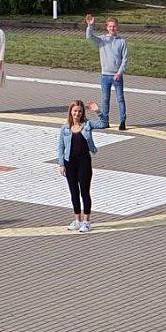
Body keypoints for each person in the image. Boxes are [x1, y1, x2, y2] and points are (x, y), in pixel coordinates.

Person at [56, 100, 108, 233]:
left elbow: (104, 123)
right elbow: (61, 147)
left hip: (84, 162)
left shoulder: (87, 125)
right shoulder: (65, 128)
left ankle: (87, 221)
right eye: (75, 111)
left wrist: (97, 111)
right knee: (74, 193)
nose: (77, 113)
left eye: (79, 111)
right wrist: (61, 164)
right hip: (69, 162)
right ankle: (77, 220)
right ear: (71, 112)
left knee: (84, 191)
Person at [84, 14, 130, 129]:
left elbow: (125, 59)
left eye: (114, 26)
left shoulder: (122, 42)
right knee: (105, 99)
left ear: (117, 27)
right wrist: (90, 26)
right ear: (107, 27)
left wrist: (119, 72)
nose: (112, 28)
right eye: (110, 26)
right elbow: (89, 37)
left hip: (117, 75)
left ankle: (122, 121)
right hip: (105, 75)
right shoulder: (102, 40)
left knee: (120, 99)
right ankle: (105, 120)